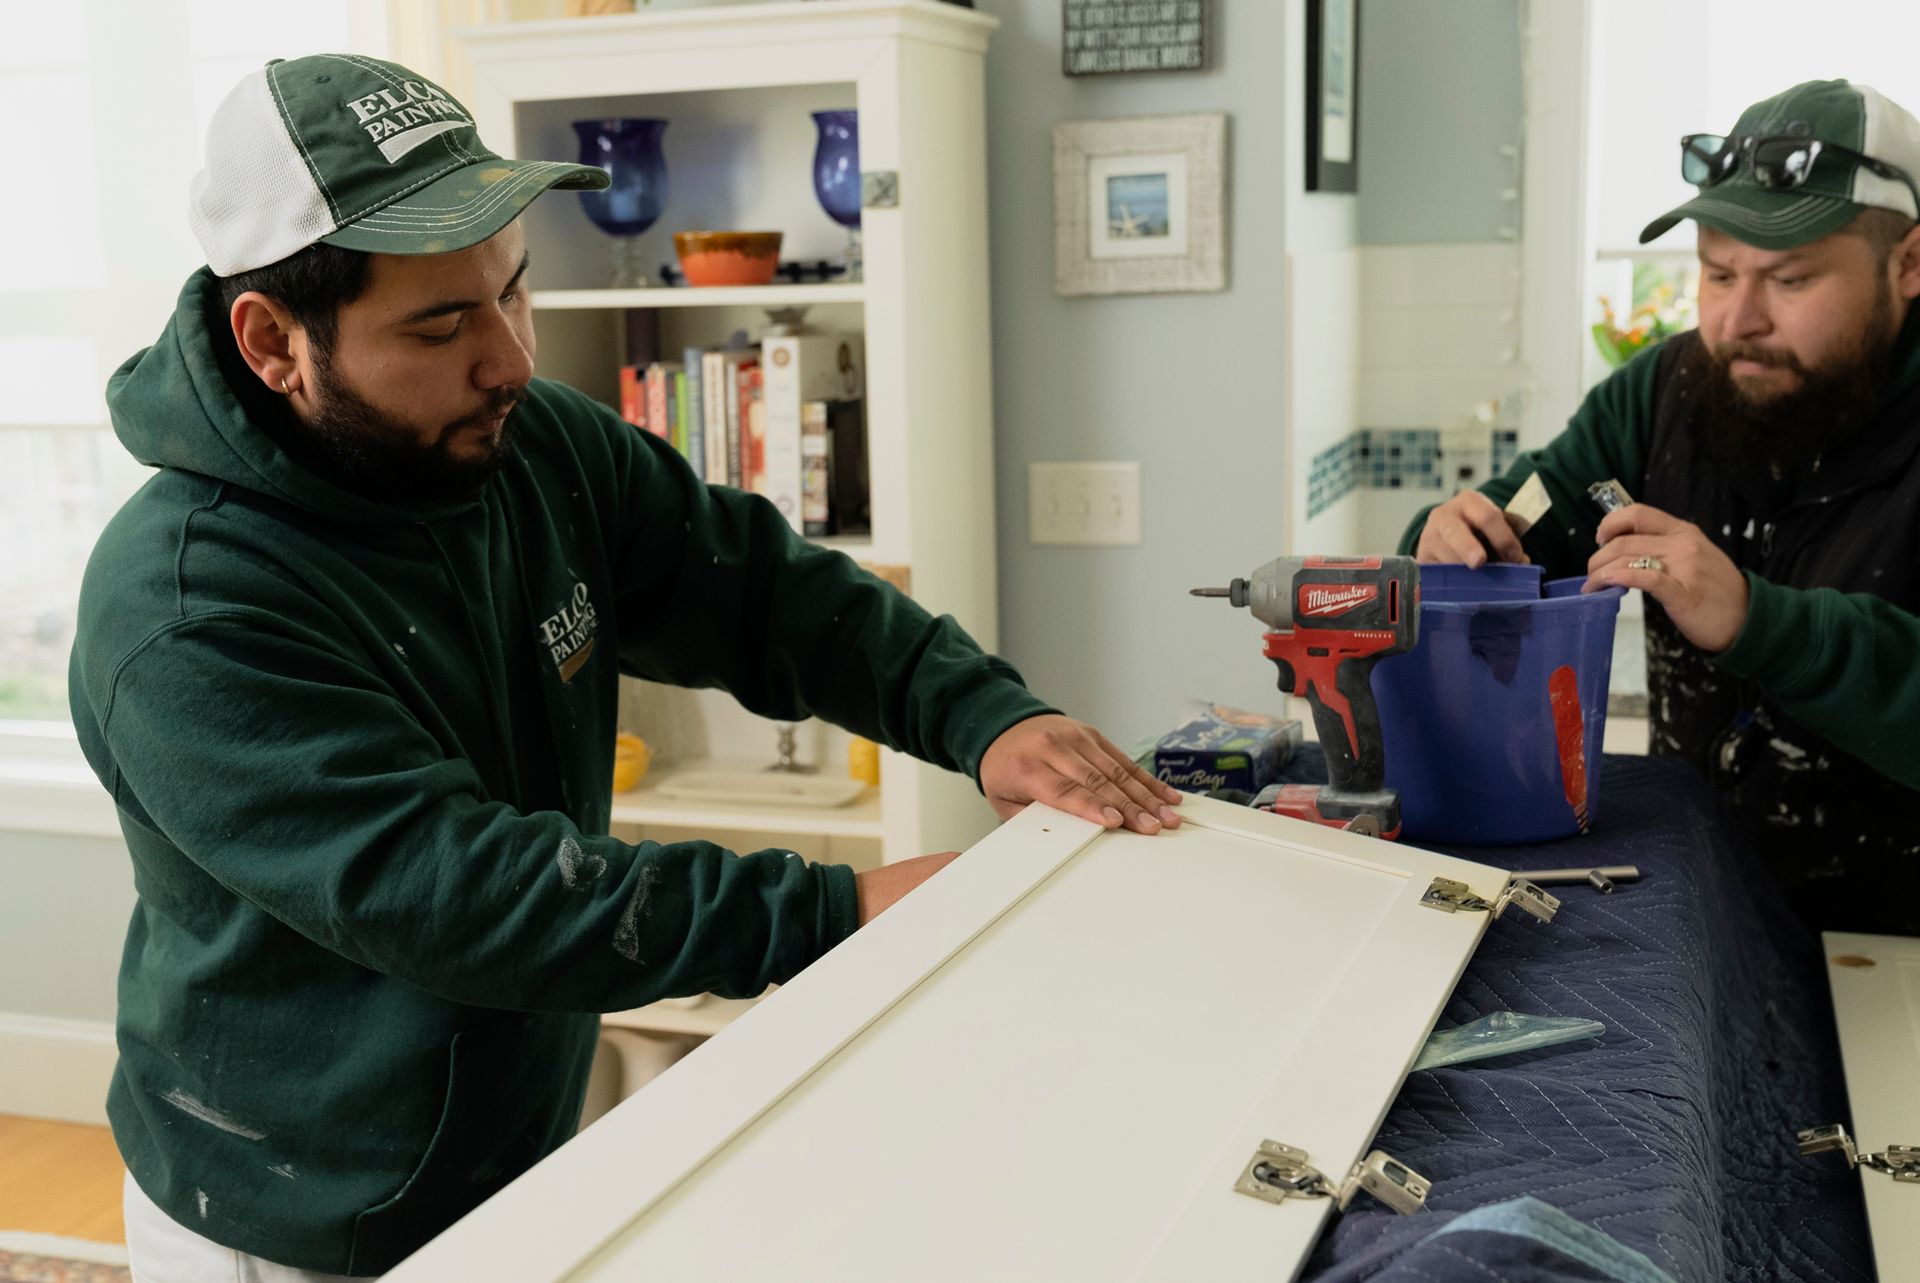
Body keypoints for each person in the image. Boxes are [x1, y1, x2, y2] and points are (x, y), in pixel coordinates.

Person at [70, 55, 1182, 1281]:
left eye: (514, 292)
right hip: (291, 1205)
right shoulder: (186, 607)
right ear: (274, 341)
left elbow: (763, 590)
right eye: (440, 324)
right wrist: (836, 911)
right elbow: (454, 887)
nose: (509, 359)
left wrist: (983, 717)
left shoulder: (531, 443)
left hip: (519, 1143)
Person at [1404, 79, 1920, 934]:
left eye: (1788, 279)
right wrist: (1448, 542)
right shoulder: (1664, 393)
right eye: (1717, 274)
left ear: (1908, 263)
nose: (1738, 319)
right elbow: (1525, 510)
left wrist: (1761, 622)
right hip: (1702, 914)